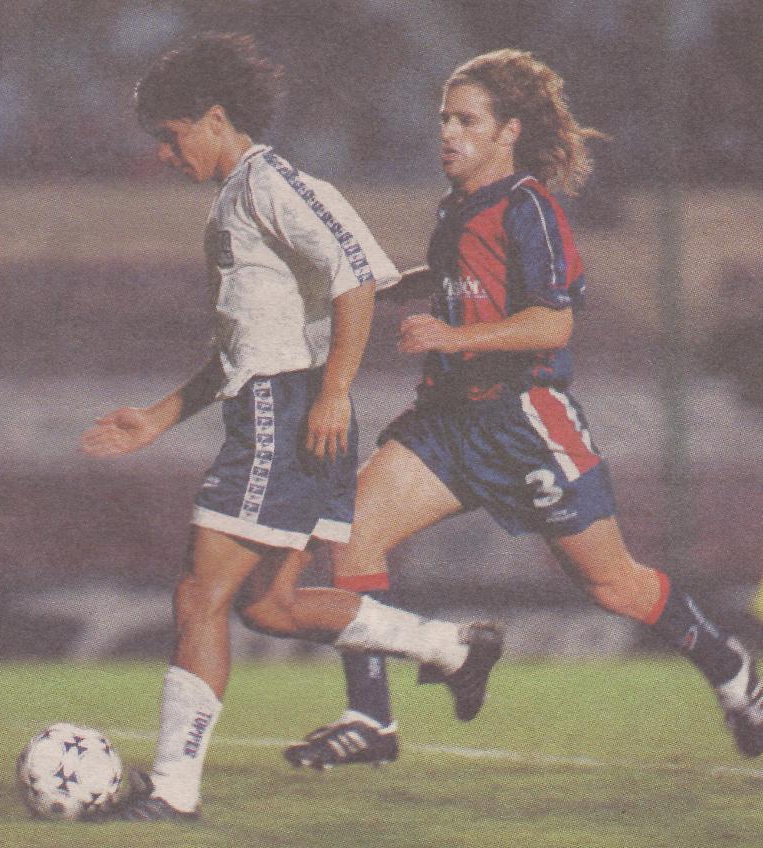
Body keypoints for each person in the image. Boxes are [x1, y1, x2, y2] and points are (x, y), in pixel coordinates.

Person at [264, 48, 763, 770]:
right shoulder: (458, 205)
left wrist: (452, 336)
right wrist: (387, 290)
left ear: (509, 132)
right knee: (351, 536)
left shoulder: (529, 207)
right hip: (448, 423)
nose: (448, 132)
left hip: (524, 424)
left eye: (467, 120)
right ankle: (371, 720)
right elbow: (458, 277)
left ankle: (734, 673)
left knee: (614, 586)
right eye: (444, 118)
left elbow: (552, 323)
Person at [82, 32, 503, 822]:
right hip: (285, 410)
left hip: (286, 414)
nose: (166, 155)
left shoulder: (268, 185)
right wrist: (160, 416)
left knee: (198, 596)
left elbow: (356, 284)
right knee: (269, 606)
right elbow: (261, 337)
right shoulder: (244, 200)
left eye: (171, 136)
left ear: (214, 117)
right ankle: (451, 647)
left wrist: (334, 392)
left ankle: (172, 793)